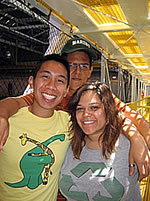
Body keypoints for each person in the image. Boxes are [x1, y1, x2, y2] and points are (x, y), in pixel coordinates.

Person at [0, 37, 150, 181]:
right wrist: (2, 116)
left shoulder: (98, 95)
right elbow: (14, 102)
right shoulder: (49, 97)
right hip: (50, 175)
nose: (78, 72)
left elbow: (130, 117)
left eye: (83, 66)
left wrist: (136, 138)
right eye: (72, 65)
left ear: (91, 70)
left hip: (81, 175)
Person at [0, 54, 71, 201]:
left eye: (59, 80)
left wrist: (133, 138)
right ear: (31, 82)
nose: (51, 86)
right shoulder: (8, 121)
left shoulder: (69, 123)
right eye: (45, 77)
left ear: (66, 90)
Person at [59, 81, 142, 201]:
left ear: (108, 111)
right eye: (80, 109)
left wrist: (138, 139)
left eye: (94, 107)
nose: (86, 114)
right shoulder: (68, 143)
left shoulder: (130, 146)